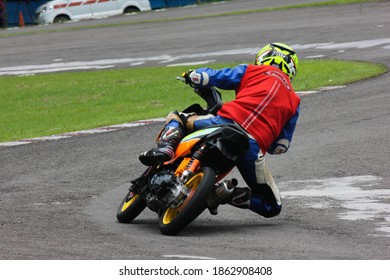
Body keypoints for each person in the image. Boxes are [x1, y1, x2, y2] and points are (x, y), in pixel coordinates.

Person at [139, 42, 300, 218]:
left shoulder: (252, 70)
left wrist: (192, 75)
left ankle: (166, 147)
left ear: (263, 57)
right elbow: (280, 146)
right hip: (251, 147)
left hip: (224, 122)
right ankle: (224, 193)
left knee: (178, 117)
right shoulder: (294, 100)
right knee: (273, 206)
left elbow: (213, 76)